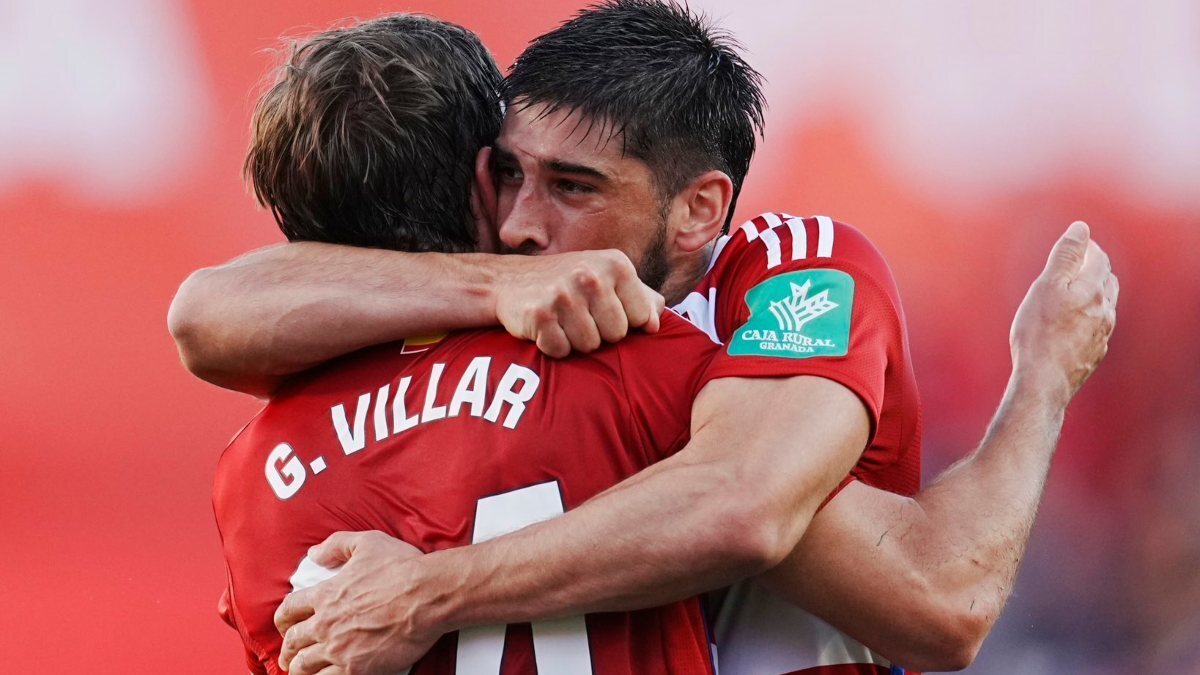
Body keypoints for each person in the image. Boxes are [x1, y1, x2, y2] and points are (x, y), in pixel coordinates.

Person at [169, 2, 1118, 674]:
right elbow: (931, 596)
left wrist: (428, 588)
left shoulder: (246, 474)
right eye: (509, 176)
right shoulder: (654, 379)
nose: (522, 227)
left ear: (701, 207)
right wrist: (1042, 378)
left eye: (572, 188)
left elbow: (205, 313)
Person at [212, 14, 722, 674]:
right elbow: (775, 511)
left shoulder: (248, 478)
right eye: (515, 170)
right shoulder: (634, 356)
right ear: (488, 177)